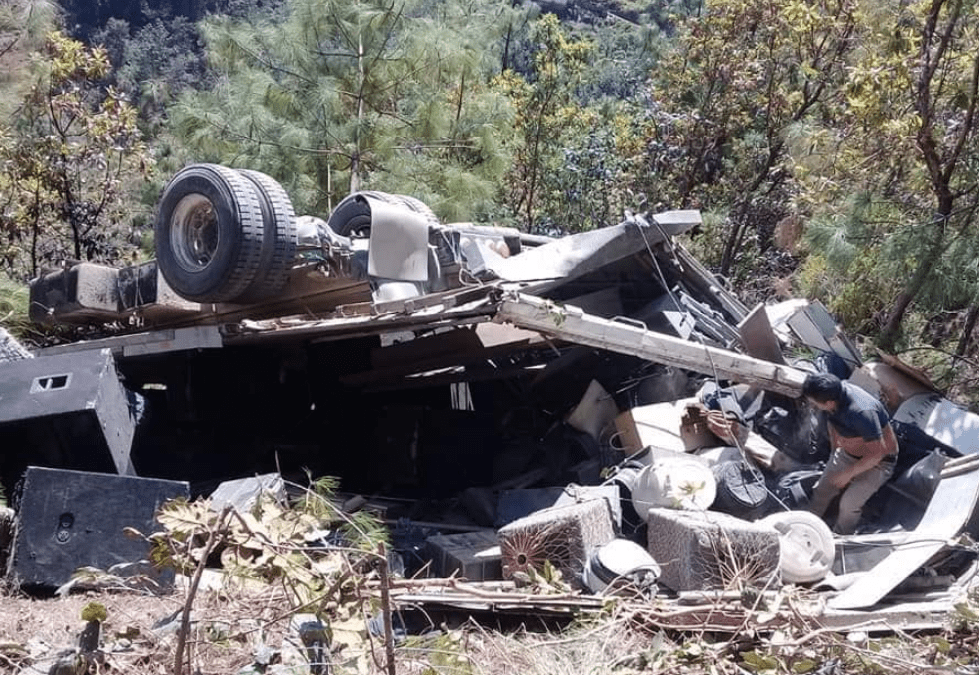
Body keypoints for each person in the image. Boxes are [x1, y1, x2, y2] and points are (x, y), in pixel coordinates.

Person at [802, 372, 899, 535]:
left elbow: (877, 454)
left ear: (829, 402)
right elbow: (832, 420)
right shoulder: (834, 396)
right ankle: (806, 526)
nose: (812, 405)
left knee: (849, 504)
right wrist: (834, 451)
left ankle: (840, 537)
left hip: (879, 463)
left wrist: (847, 474)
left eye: (814, 402)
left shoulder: (862, 412)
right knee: (821, 490)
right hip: (848, 454)